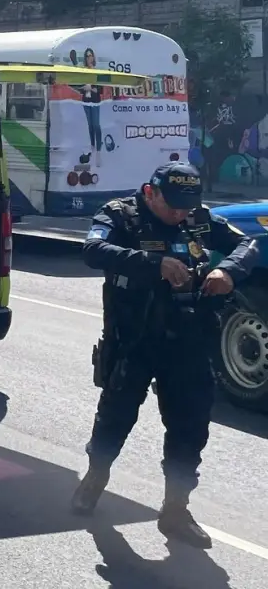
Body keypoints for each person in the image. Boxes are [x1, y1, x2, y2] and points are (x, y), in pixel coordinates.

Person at [73, 161, 256, 548]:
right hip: (135, 338)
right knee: (115, 417)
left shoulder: (199, 218)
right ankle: (95, 477)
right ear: (150, 191)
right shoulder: (120, 215)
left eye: (186, 206)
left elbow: (247, 243)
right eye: (172, 205)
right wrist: (154, 265)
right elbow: (93, 250)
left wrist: (230, 273)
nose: (179, 213)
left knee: (190, 426)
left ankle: (176, 508)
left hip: (189, 338)